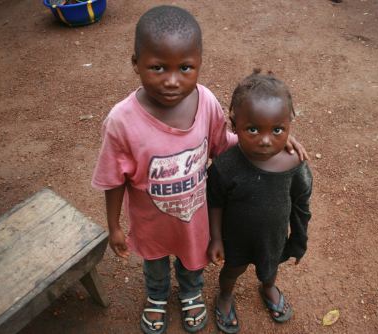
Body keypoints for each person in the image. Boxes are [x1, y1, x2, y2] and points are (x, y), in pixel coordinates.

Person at [92, 6, 307, 334]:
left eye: (186, 67)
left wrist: (275, 140)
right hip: (151, 221)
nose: (172, 80)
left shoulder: (205, 102)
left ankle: (191, 293)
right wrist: (114, 226)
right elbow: (113, 178)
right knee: (155, 264)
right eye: (158, 67)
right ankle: (157, 297)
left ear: (199, 63)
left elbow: (225, 142)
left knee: (193, 261)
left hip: (194, 217)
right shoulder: (122, 121)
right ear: (136, 63)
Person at [207, 70, 313, 333]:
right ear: (234, 124)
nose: (266, 140)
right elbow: (215, 203)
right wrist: (216, 238)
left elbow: (301, 204)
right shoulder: (225, 166)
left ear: (289, 125)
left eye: (277, 130)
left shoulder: (294, 163)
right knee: (231, 272)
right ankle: (224, 296)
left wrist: (299, 240)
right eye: (252, 129)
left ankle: (268, 287)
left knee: (270, 268)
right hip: (236, 238)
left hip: (273, 237)